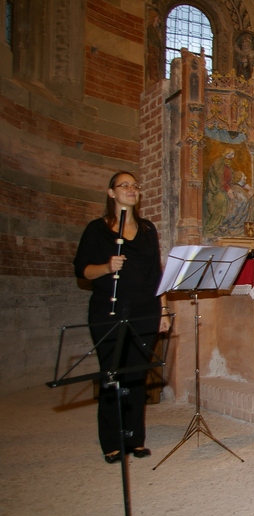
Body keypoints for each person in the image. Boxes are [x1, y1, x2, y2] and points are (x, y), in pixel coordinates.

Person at [73, 172, 171, 463]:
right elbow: (82, 270)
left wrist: (163, 311)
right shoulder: (97, 230)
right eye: (124, 185)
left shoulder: (147, 229)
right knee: (112, 375)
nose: (131, 189)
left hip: (145, 311)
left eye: (135, 186)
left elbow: (157, 274)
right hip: (108, 310)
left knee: (137, 377)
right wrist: (106, 267)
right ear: (111, 193)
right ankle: (112, 442)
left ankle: (135, 439)